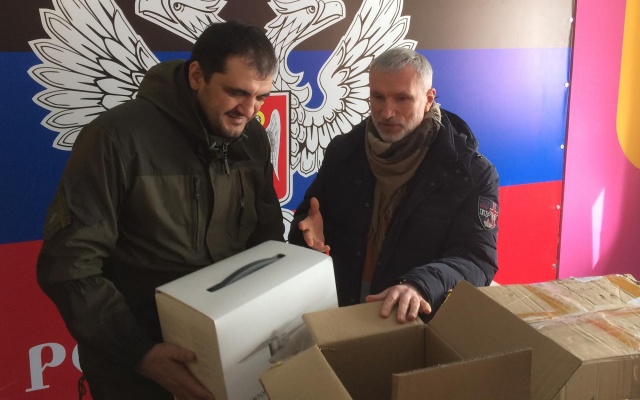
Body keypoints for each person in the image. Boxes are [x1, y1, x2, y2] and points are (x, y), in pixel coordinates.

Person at [36, 20, 284, 400]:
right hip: (135, 373)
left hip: (227, 362)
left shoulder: (252, 139)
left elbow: (265, 239)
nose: (249, 111)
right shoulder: (116, 138)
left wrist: (300, 253)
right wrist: (141, 355)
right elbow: (69, 265)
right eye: (237, 92)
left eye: (261, 97)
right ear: (197, 75)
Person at [289, 47, 499, 325]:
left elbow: (477, 259)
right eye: (378, 97)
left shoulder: (471, 173)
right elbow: (309, 218)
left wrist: (420, 285)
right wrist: (306, 232)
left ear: (428, 99)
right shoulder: (344, 152)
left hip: (413, 322)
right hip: (340, 309)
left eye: (402, 98)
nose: (387, 112)